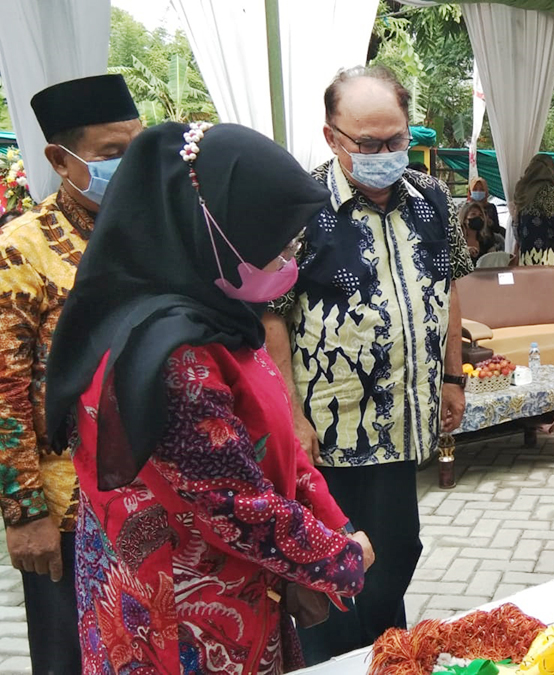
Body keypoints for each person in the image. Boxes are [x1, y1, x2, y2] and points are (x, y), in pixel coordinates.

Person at [43, 121, 372, 673]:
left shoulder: (214, 315)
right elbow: (232, 504)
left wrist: (331, 520)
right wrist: (339, 558)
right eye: (276, 243)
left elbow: (274, 440)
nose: (289, 259)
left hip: (233, 591)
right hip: (183, 618)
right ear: (215, 228)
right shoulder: (172, 355)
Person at [263, 65, 472, 663]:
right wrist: (291, 415)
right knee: (331, 569)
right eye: (369, 144)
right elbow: (271, 316)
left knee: (396, 552)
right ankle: (336, 663)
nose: (385, 155)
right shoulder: (299, 207)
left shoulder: (433, 199)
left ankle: (386, 657)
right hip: (329, 431)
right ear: (332, 137)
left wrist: (452, 377)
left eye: (396, 139)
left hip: (403, 424)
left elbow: (450, 288)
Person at [0, 74, 141, 675]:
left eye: (137, 148)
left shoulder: (151, 232)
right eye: (112, 153)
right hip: (65, 510)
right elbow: (4, 392)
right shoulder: (21, 248)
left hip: (155, 498)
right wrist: (23, 512)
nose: (130, 165)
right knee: (70, 657)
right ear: (61, 160)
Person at [515, 153, 554, 283]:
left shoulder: (522, 191)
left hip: (527, 253)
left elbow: (517, 225)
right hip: (548, 255)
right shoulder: (547, 191)